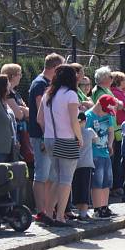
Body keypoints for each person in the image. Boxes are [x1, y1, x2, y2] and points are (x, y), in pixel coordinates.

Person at [36, 64, 83, 226]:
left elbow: (39, 119)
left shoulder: (47, 94)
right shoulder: (71, 95)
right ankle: (60, 216)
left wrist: (48, 132)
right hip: (67, 139)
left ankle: (48, 213)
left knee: (56, 177)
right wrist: (80, 137)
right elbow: (73, 121)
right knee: (66, 180)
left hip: (49, 138)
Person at [28, 53, 65, 222]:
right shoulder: (40, 84)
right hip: (41, 135)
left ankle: (49, 210)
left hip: (50, 135)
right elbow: (41, 114)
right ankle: (41, 211)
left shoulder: (48, 84)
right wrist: (45, 137)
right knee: (41, 174)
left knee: (52, 175)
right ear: (56, 68)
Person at [87, 94, 117, 218]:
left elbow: (111, 131)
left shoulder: (108, 115)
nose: (106, 113)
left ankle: (105, 206)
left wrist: (110, 144)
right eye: (105, 110)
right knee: (97, 181)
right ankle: (97, 208)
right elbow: (86, 133)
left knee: (107, 181)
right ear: (99, 104)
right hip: (94, 153)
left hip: (105, 152)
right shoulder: (89, 116)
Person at [1, 63, 32, 163]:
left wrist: (21, 109)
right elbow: (18, 115)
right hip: (15, 133)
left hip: (22, 131)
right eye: (19, 74)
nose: (21, 76)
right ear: (12, 76)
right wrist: (22, 110)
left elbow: (27, 112)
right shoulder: (7, 93)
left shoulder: (15, 93)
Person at [72, 112, 97, 220]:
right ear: (85, 121)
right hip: (87, 164)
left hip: (75, 165)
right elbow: (96, 140)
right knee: (86, 189)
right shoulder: (89, 131)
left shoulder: (73, 133)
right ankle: (83, 213)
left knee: (77, 188)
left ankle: (78, 211)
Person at [109, 71, 125, 197]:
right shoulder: (117, 93)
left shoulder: (118, 93)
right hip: (119, 130)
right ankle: (116, 186)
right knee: (117, 159)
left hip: (118, 129)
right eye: (123, 80)